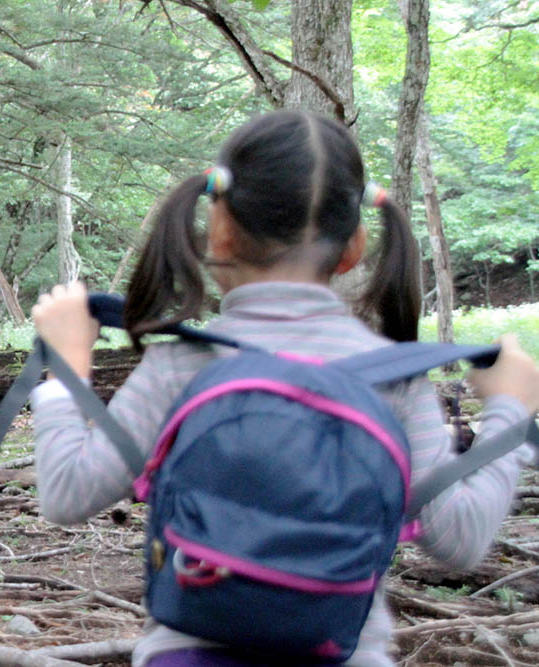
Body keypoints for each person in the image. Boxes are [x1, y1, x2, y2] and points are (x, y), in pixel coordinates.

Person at [28, 110, 539, 667]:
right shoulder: (395, 375)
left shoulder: (183, 365)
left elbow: (67, 494)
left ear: (219, 229)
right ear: (356, 245)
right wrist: (509, 407)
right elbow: (460, 539)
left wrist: (68, 367)